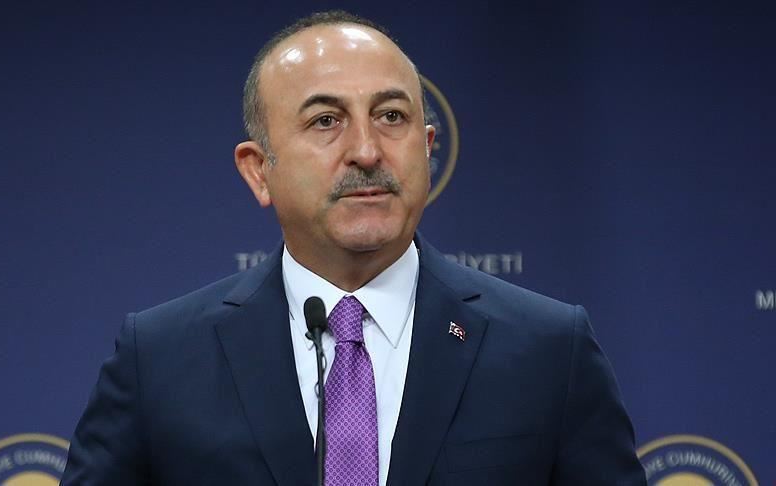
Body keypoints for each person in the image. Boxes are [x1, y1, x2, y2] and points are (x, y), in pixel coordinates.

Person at [61, 10, 646, 486]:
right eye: (325, 121)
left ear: (427, 147)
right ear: (259, 170)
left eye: (391, 116)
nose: (367, 150)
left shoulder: (548, 350)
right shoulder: (160, 359)